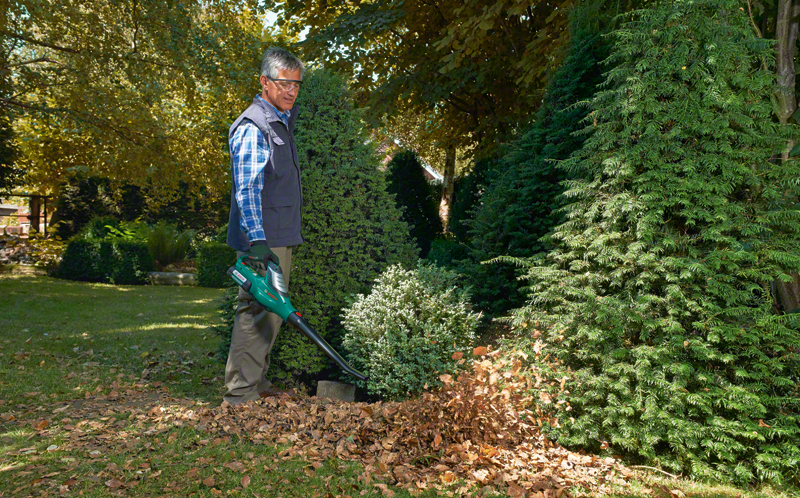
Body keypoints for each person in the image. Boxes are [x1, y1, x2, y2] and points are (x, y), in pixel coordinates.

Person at [223, 47, 305, 404]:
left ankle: (254, 386)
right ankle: (239, 397)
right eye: (284, 83)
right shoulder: (254, 125)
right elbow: (248, 188)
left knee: (270, 315)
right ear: (264, 82)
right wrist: (257, 241)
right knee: (256, 310)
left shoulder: (279, 121)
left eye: (297, 85)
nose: (291, 91)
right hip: (264, 238)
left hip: (278, 232)